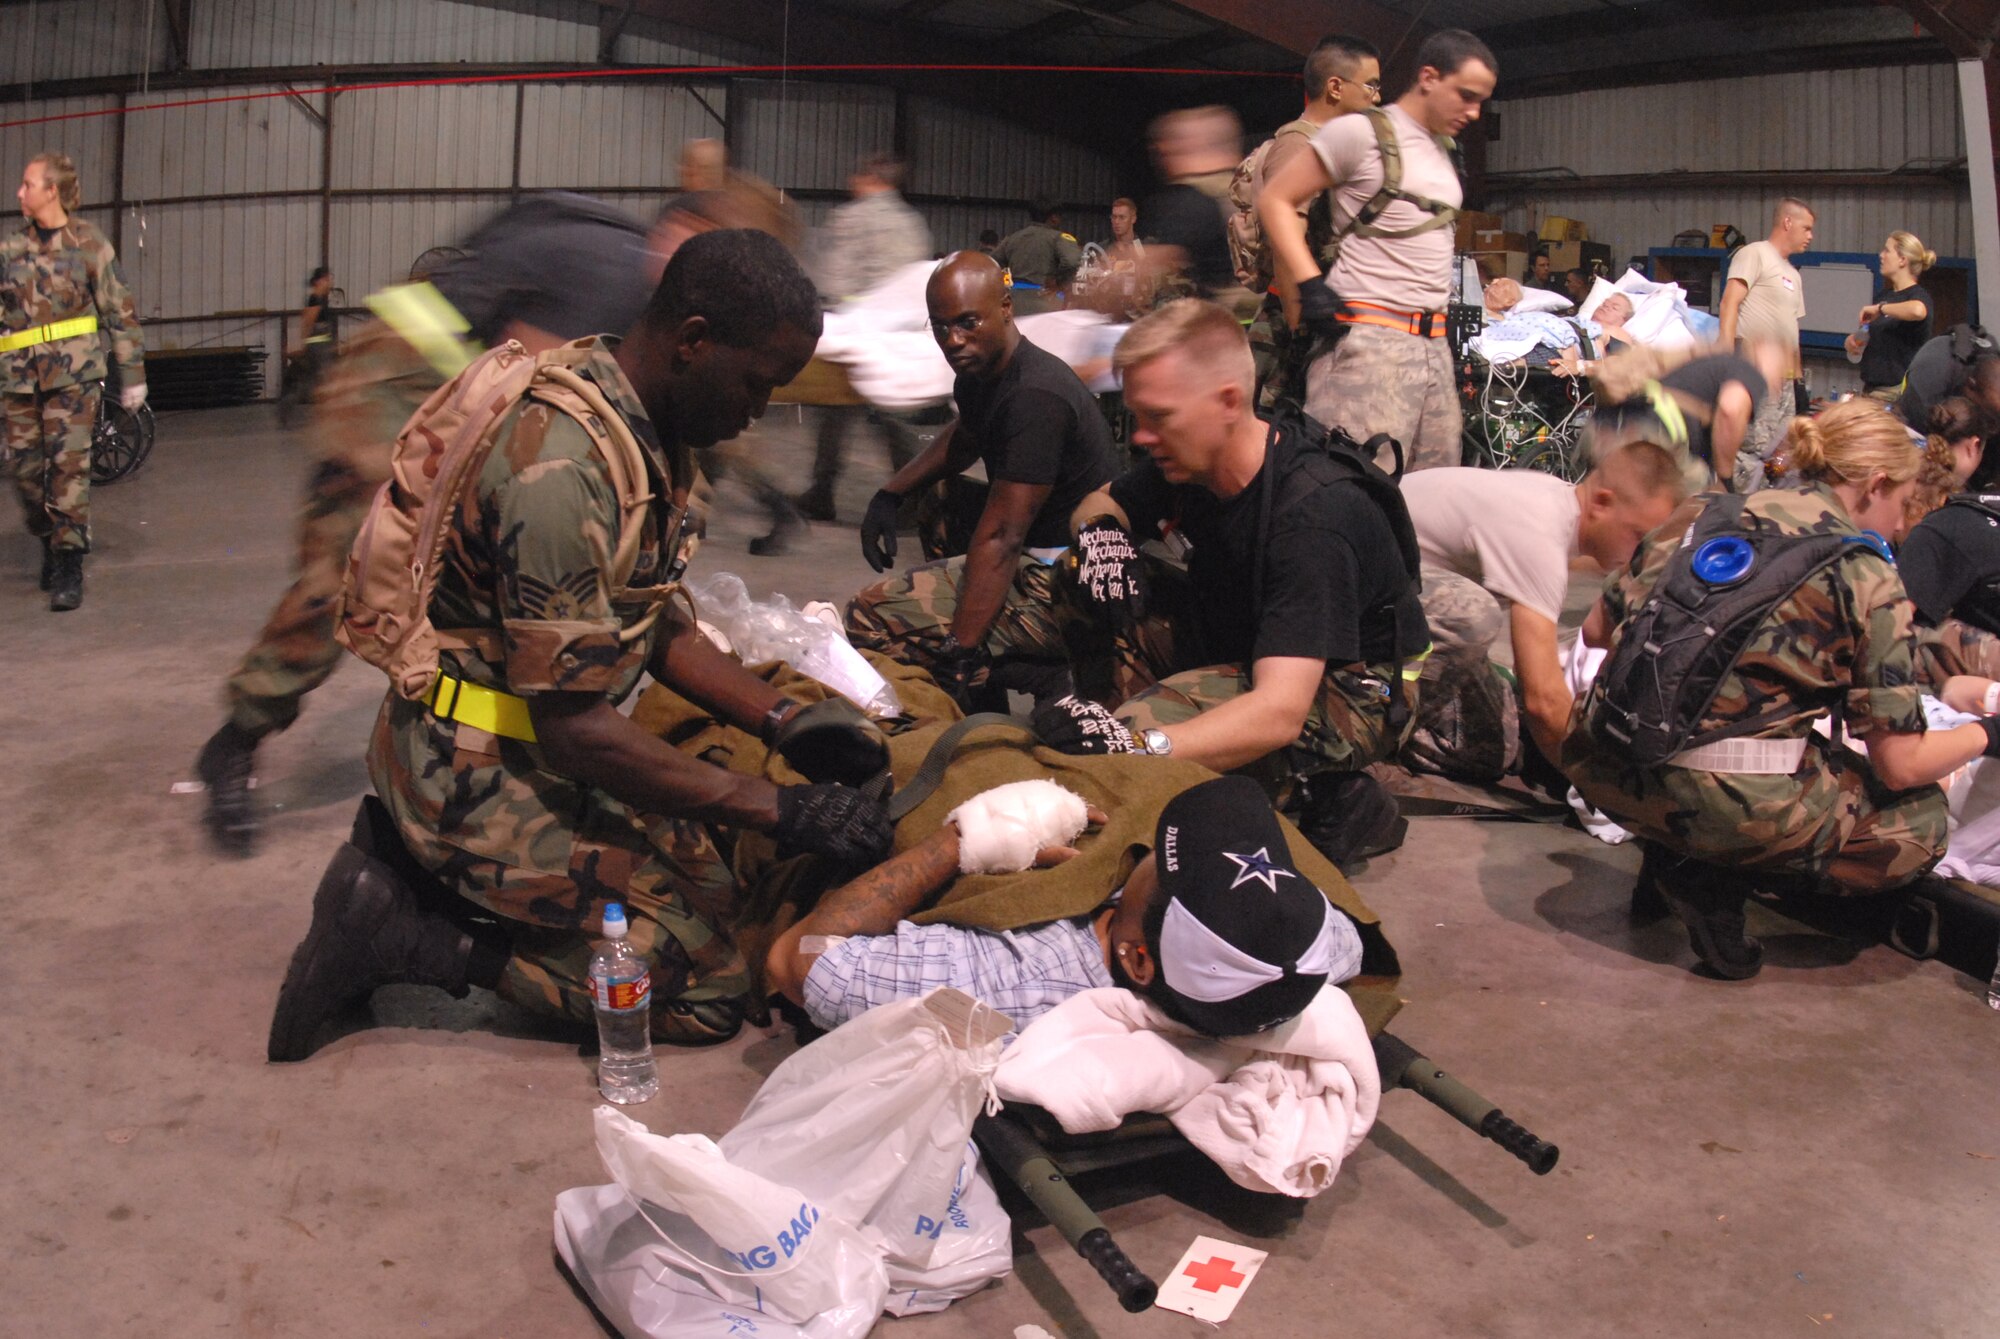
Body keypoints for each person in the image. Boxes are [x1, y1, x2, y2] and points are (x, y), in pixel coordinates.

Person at [266, 230, 896, 1062]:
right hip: (471, 769)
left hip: (525, 741)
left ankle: (411, 880)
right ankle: (407, 931)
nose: (759, 410)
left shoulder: (643, 425)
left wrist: (783, 718)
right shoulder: (562, 469)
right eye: (756, 383)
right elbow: (576, 727)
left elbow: (651, 621)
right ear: (693, 340)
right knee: (706, 987)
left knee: (721, 898)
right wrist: (777, 806)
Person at [194, 192, 661, 856]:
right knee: (353, 577)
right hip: (397, 377)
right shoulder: (624, 270)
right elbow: (530, 372)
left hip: (453, 369)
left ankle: (498, 753)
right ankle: (235, 740)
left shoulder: (628, 254)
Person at [1564, 397, 2000, 979]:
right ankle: (1718, 872)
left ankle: (1678, 849)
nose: (1902, 521)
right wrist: (1986, 734)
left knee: (1755, 742)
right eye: (1902, 500)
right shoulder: (1867, 573)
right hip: (1720, 797)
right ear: (1874, 486)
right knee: (1920, 823)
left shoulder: (1704, 511)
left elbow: (1596, 628)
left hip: (1605, 763)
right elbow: (1900, 765)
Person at [1036, 299, 1430, 871]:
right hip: (1252, 636)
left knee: (1127, 759)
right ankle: (1119, 727)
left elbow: (1279, 711)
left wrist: (1140, 747)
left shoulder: (1313, 517)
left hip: (1352, 690)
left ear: (1226, 402)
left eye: (1158, 417)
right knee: (1077, 575)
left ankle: (1331, 793)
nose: (1142, 436)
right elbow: (1103, 500)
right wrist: (1102, 537)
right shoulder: (1194, 455)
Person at [766, 774, 1364, 1035]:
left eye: (1167, 864)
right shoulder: (1311, 952)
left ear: (1136, 961)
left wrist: (971, 838)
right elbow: (1343, 939)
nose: (1151, 847)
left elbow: (799, 963)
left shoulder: (1008, 983)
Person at [844, 251, 1117, 702]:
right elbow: (966, 437)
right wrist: (891, 494)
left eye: (968, 322)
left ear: (1006, 308)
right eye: (941, 326)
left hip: (1071, 587)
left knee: (870, 616)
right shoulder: (982, 372)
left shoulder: (1034, 396)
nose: (953, 339)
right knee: (941, 499)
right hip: (1035, 552)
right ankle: (983, 687)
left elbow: (1003, 538)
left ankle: (1035, 670)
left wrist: (961, 646)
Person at [1258, 29, 1497, 473]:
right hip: (1370, 348)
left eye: (1481, 100)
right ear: (1428, 77)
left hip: (1432, 349)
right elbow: (1276, 198)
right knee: (1352, 491)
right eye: (1465, 95)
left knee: (1433, 498)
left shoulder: (1444, 150)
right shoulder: (1360, 133)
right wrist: (1309, 284)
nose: (1474, 111)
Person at [1401, 445, 1687, 781]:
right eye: (1638, 536)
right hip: (1357, 588)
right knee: (1474, 617)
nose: (1638, 553)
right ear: (1602, 503)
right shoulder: (1539, 531)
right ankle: (1378, 719)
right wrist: (1605, 791)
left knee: (1493, 749)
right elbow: (1543, 700)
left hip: (1402, 589)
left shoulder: (1555, 503)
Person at [3, 151, 145, 612]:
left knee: (68, 471)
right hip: (19, 380)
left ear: (52, 191)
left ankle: (68, 563)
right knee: (25, 474)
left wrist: (133, 374)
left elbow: (119, 312)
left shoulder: (91, 245)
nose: (20, 192)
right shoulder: (10, 250)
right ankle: (47, 537)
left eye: (27, 185)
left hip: (73, 379)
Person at [1238, 34, 1382, 406]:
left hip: (1317, 316)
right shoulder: (1299, 146)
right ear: (1335, 86)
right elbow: (1286, 244)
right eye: (1371, 85)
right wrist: (1301, 325)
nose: (1377, 98)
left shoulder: (1330, 145)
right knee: (1281, 434)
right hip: (1291, 327)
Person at [796, 153, 936, 526]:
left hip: (857, 333)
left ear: (871, 178)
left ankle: (821, 492)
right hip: (900, 338)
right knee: (894, 417)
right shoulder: (912, 222)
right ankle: (913, 502)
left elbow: (833, 278)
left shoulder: (852, 218)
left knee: (834, 413)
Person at [1583, 347, 1780, 493]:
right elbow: (1731, 410)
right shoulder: (1749, 372)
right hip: (1652, 437)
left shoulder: (1698, 366)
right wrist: (1724, 480)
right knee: (1694, 498)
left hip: (1601, 429)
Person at [1717, 198, 1814, 492]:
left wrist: (1798, 383)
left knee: (1782, 448)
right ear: (1787, 222)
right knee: (1752, 447)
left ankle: (1772, 504)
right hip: (1755, 370)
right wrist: (1726, 357)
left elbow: (1791, 329)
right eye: (1806, 228)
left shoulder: (1793, 275)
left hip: (1784, 381)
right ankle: (1742, 507)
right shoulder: (1754, 253)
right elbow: (1729, 303)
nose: (1810, 236)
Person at [1846, 231, 1935, 397]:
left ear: (1902, 260)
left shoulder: (1917, 296)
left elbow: (1918, 310)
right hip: (1871, 389)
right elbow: (1873, 335)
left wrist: (1880, 309)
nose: (1881, 255)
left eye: (1887, 251)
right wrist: (1852, 340)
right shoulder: (1884, 296)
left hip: (1895, 393)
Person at [1894, 327, 2000, 435]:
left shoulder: (1989, 358)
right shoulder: (1928, 383)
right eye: (1992, 417)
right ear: (1971, 386)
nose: (1994, 426)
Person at [991, 198, 1082, 315]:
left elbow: (991, 262)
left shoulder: (1013, 238)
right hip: (1046, 301)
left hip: (1014, 302)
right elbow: (1072, 261)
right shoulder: (1059, 238)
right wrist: (1058, 282)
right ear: (1054, 218)